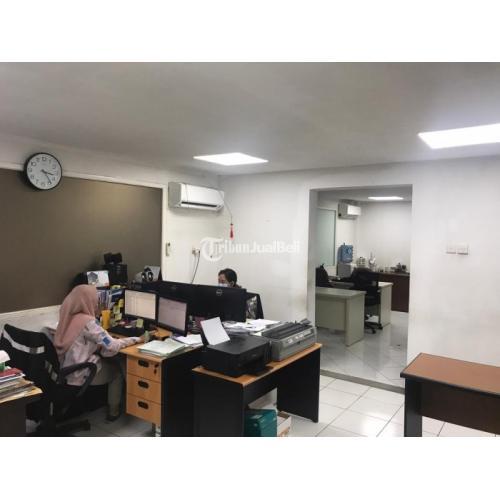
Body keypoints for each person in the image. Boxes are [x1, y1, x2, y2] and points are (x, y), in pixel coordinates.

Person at [53, 284, 143, 421]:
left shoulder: (67, 314)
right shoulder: (88, 323)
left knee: (113, 359)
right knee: (117, 371)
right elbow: (112, 346)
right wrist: (137, 339)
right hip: (79, 373)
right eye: (95, 300)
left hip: (63, 370)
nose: (96, 304)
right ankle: (114, 412)